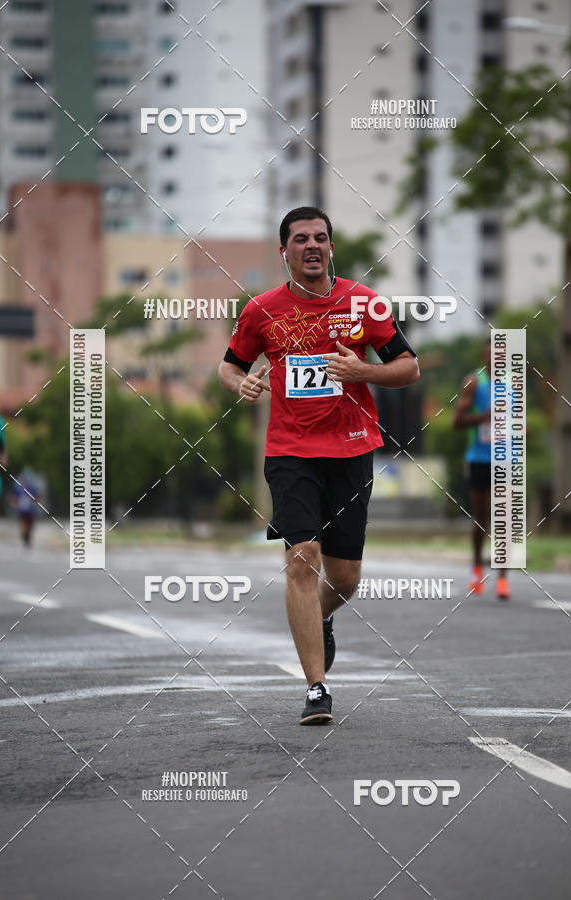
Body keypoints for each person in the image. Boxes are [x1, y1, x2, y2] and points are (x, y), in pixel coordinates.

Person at [218, 206, 419, 724]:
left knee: (345, 578)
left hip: (351, 448)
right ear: (283, 251)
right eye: (301, 238)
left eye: (321, 238)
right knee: (302, 558)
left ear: (331, 248)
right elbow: (230, 363)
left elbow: (409, 366)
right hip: (290, 451)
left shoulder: (363, 304)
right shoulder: (262, 310)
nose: (312, 245)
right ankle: (316, 689)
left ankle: (319, 617)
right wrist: (240, 383)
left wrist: (363, 369)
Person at [453, 339, 510, 600]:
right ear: (484, 355)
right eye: (491, 353)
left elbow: (518, 420)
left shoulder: (512, 383)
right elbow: (457, 422)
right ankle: (477, 570)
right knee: (481, 519)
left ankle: (502, 579)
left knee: (504, 519)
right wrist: (485, 417)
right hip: (478, 457)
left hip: (506, 458)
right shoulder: (473, 383)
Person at [11, 468, 39, 547]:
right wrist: (15, 504)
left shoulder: (32, 486)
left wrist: (34, 503)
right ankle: (25, 537)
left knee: (29, 524)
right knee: (23, 523)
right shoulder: (17, 487)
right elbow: (14, 497)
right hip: (22, 509)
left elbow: (36, 496)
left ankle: (27, 537)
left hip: (30, 510)